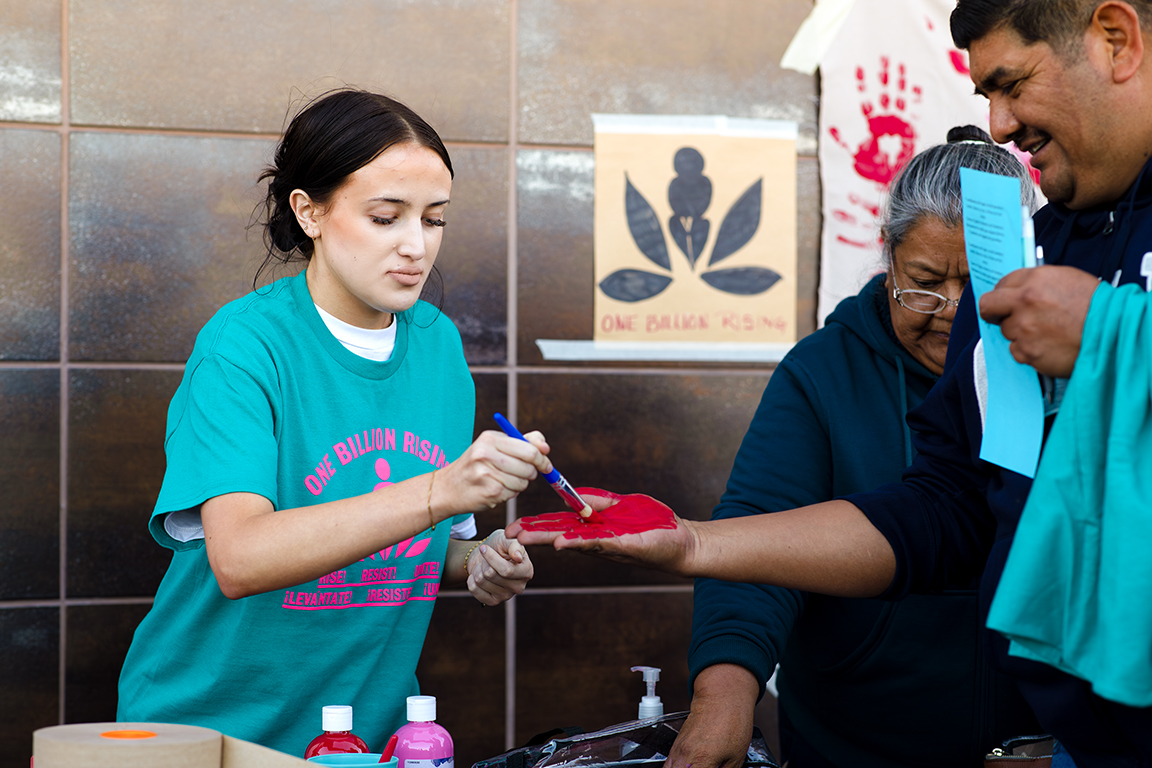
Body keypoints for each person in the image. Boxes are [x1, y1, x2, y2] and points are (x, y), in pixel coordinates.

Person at [509, 2, 1152, 764]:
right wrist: (695, 547)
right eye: (922, 284)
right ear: (885, 256)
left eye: (1011, 82)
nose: (1000, 122)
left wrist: (1115, 333)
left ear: (1117, 39)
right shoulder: (1037, 268)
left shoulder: (1066, 287)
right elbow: (952, 509)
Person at [117, 89, 557, 755]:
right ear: (310, 211)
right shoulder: (244, 346)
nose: (416, 246)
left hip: (366, 740)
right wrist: (442, 489)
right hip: (205, 737)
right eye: (386, 217)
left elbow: (419, 547)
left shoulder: (437, 345)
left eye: (434, 220)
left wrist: (476, 561)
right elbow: (239, 557)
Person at [678, 127, 1040, 768]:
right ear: (888, 256)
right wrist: (725, 693)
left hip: (1041, 744)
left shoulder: (1058, 369)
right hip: (855, 743)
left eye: (981, 287)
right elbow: (759, 535)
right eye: (924, 282)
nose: (953, 313)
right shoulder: (823, 372)